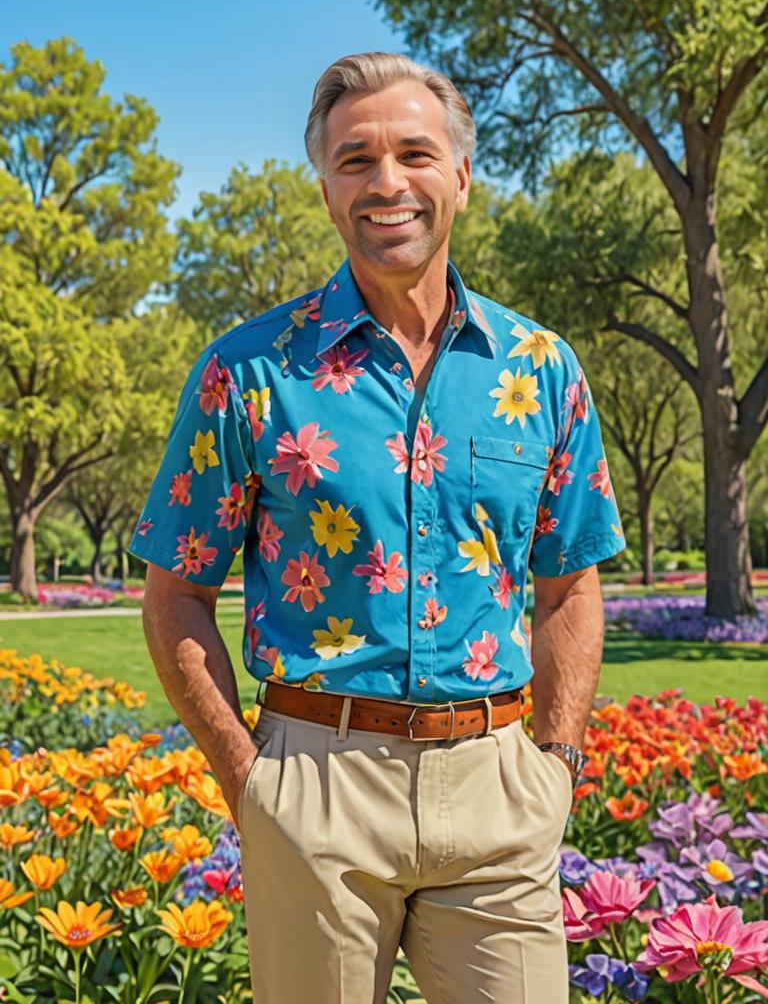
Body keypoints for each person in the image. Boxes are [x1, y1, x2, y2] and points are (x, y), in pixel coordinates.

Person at [131, 52, 626, 1004]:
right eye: (356, 159)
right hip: (316, 784)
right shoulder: (252, 373)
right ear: (325, 188)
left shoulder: (542, 369)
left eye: (414, 152)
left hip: (498, 788)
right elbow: (177, 591)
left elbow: (569, 583)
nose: (387, 182)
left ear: (462, 178)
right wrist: (253, 784)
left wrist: (557, 767)